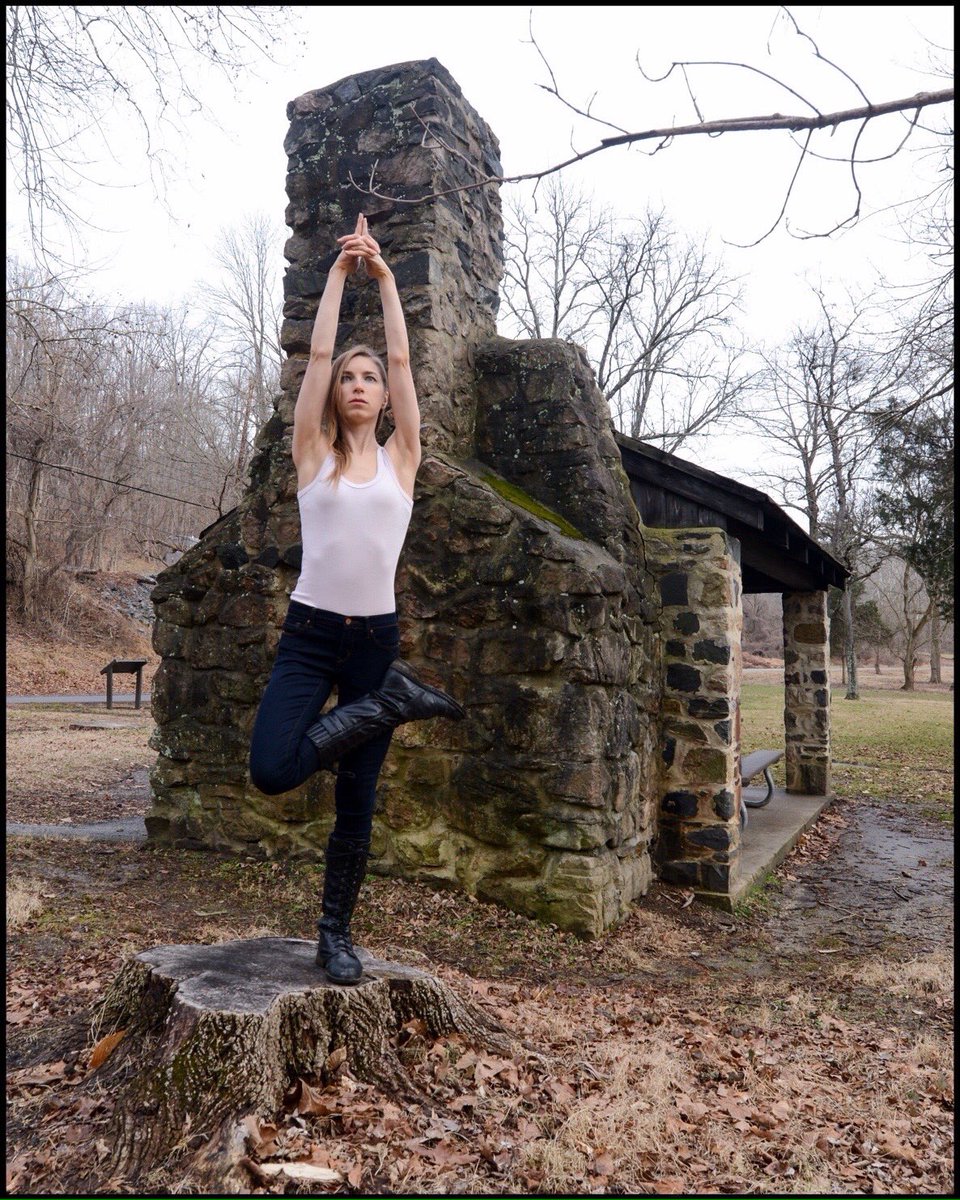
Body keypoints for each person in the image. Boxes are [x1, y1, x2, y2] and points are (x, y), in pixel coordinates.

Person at [249, 213, 464, 985]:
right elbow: (313, 353)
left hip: (374, 639)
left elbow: (405, 357)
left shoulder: (404, 458)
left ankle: (334, 934)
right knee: (273, 768)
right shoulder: (313, 456)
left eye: (368, 378)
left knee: (357, 798)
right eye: (350, 378)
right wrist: (340, 273)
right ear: (336, 395)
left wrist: (388, 279)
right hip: (309, 635)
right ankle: (391, 703)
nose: (360, 385)